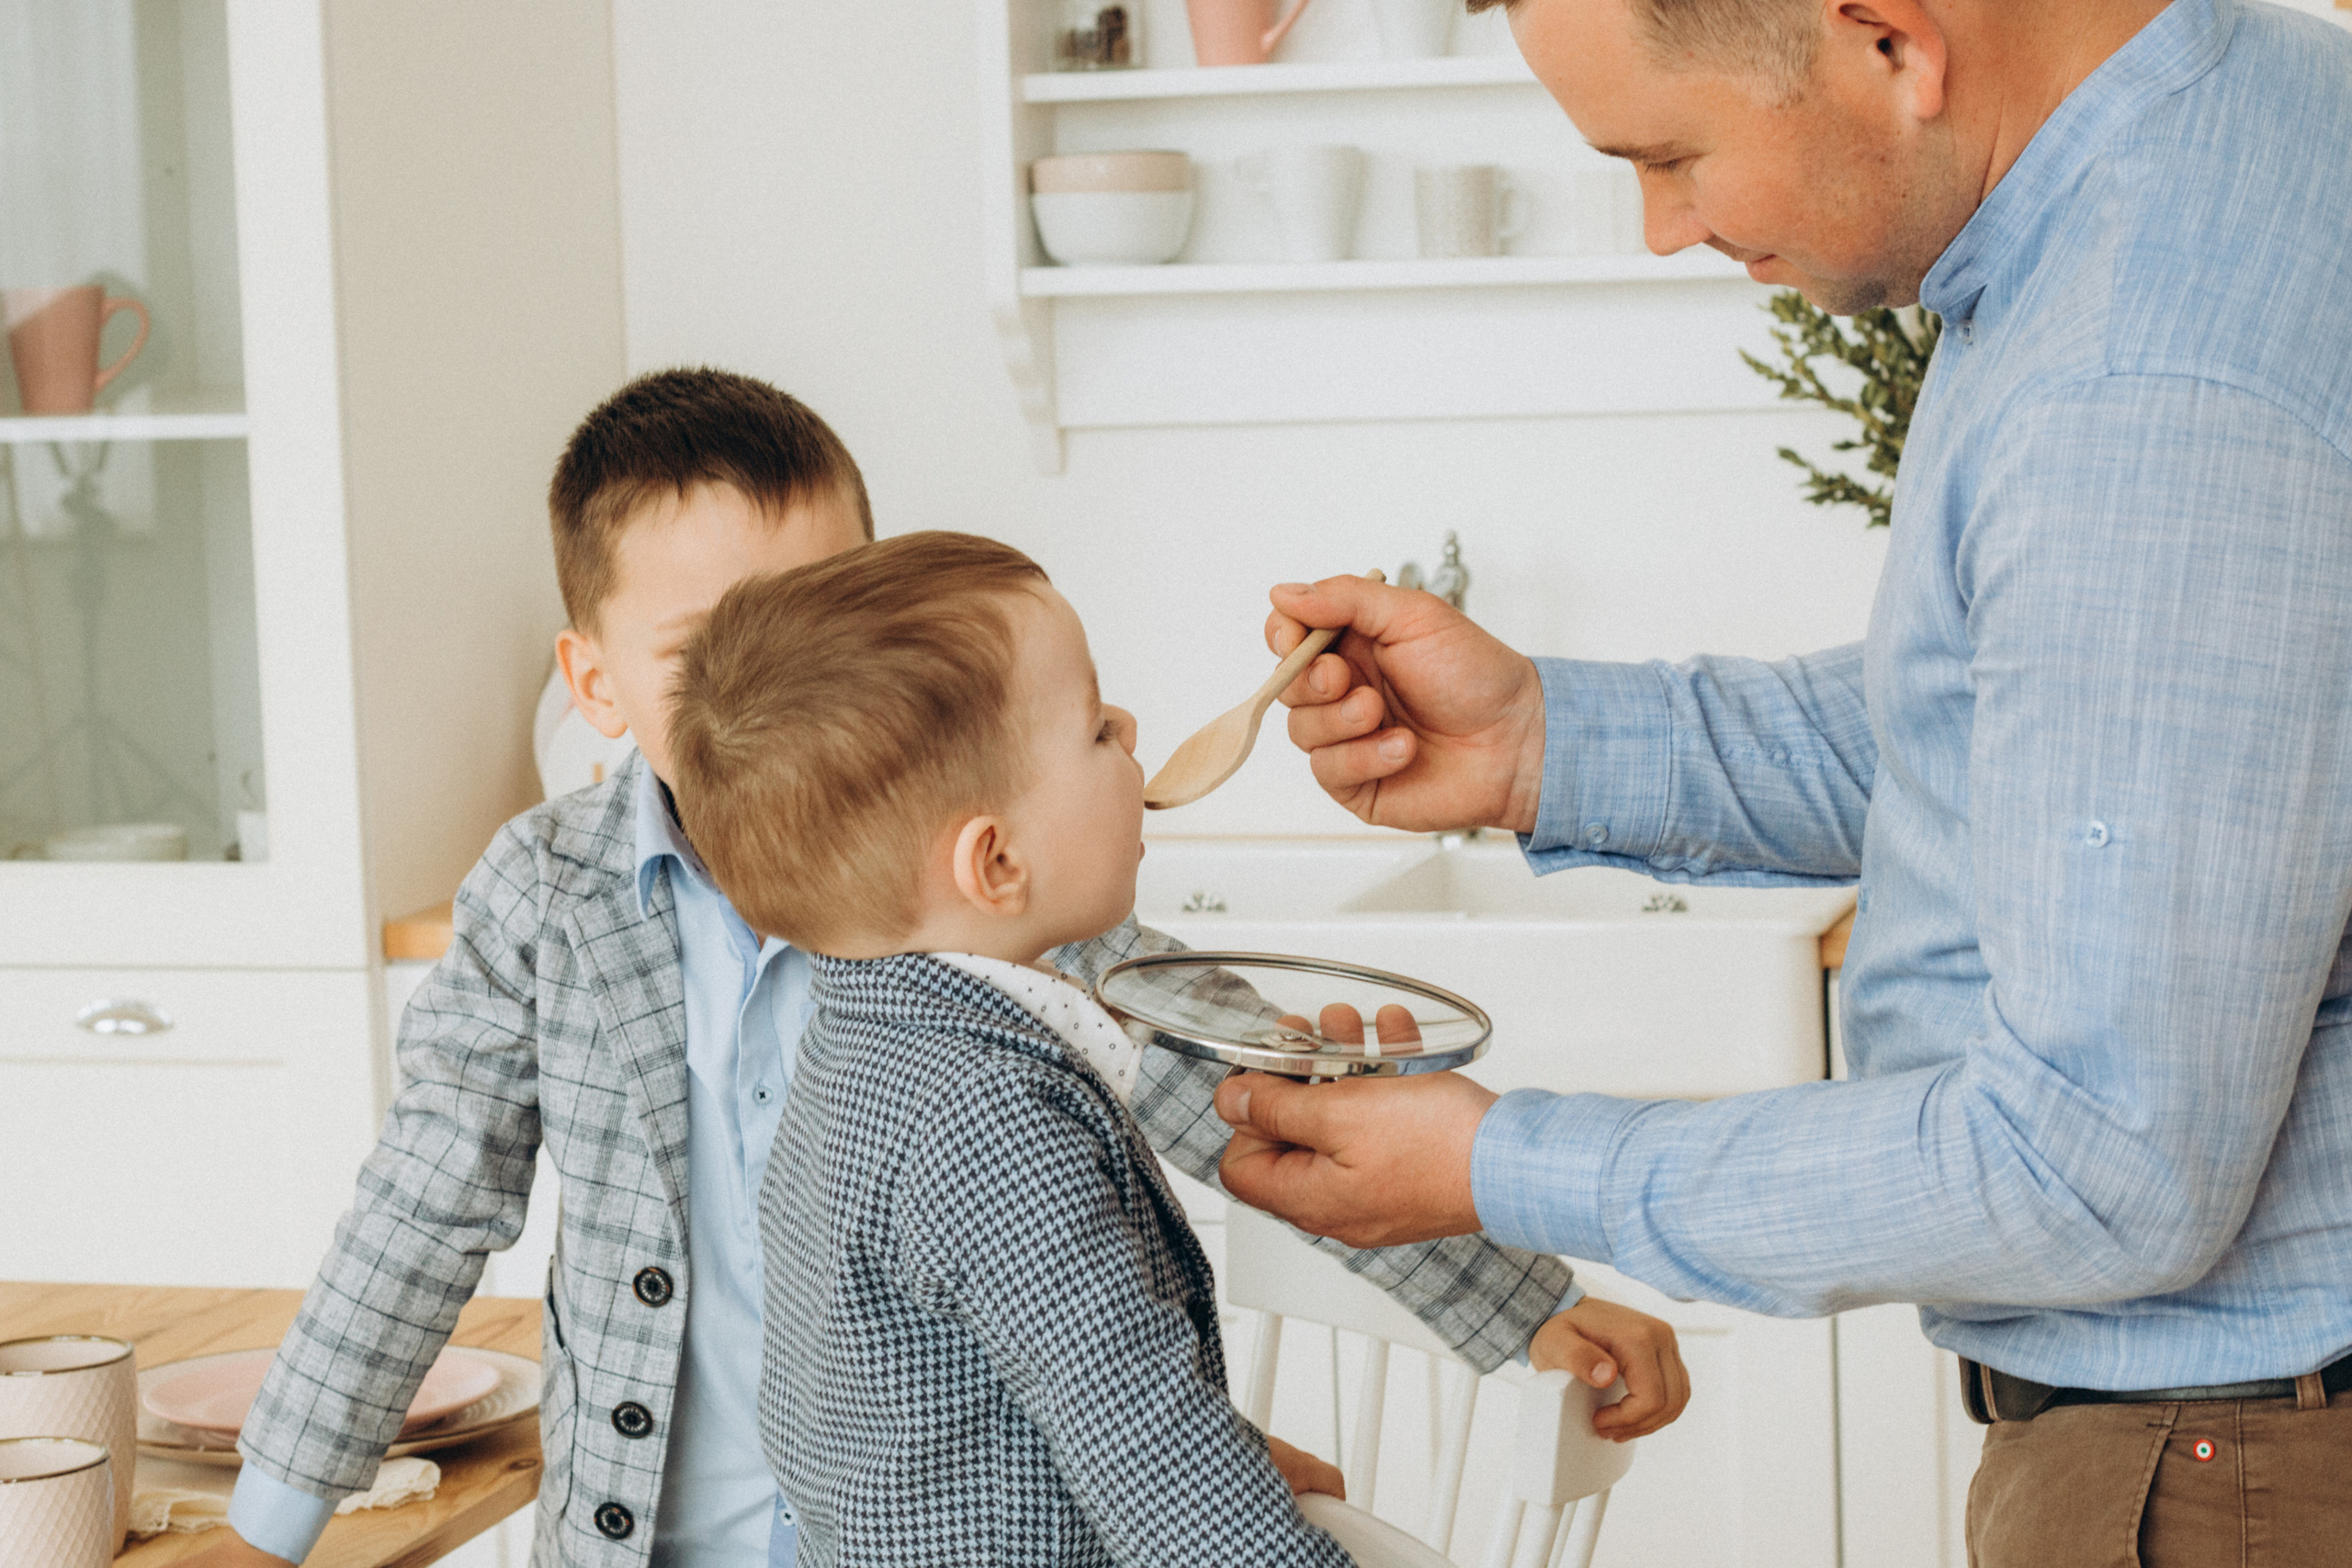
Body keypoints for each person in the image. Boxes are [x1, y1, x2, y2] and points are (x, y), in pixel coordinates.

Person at [1211, 0, 2352, 1562]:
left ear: (1890, 38)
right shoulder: (2257, 108)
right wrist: (1537, 741)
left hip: (2230, 1471)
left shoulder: (2135, 381)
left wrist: (1504, 1164)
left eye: (1673, 155)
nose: (1664, 229)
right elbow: (2012, 738)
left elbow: (2102, 1165)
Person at [197, 371, 1674, 1568]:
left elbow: (1245, 1090)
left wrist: (1521, 1294)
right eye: (721, 650)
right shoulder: (543, 892)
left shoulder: (1002, 907)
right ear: (591, 682)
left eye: (835, 615)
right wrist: (274, 1520)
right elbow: (421, 1203)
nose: (803, 691)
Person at [669, 532, 1373, 1563]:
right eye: (1094, 729)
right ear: (995, 862)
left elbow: (971, 1388)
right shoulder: (984, 1115)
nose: (1130, 728)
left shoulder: (853, 1042)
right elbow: (1156, 1461)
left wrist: (1230, 1454)